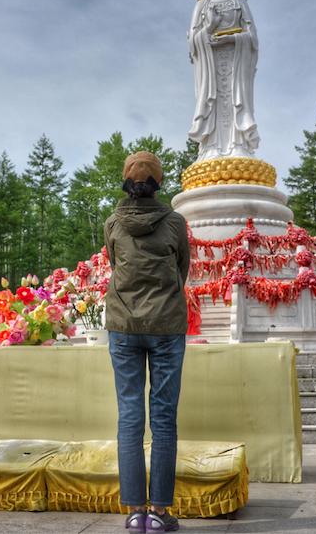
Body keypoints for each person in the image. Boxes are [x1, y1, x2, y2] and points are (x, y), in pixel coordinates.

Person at [104, 152, 190, 533]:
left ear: (126, 182)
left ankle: (135, 511)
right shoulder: (175, 223)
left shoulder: (113, 223)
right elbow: (182, 269)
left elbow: (114, 265)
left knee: (129, 415)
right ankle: (159, 513)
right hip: (166, 326)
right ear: (159, 184)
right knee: (164, 418)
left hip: (123, 326)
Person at [188, 0, 260, 160]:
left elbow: (253, 38)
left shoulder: (240, 2)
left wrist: (234, 38)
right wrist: (209, 27)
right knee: (213, 103)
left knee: (235, 101)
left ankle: (239, 144)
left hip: (235, 63)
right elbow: (192, 44)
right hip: (210, 65)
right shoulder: (202, 5)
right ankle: (211, 147)